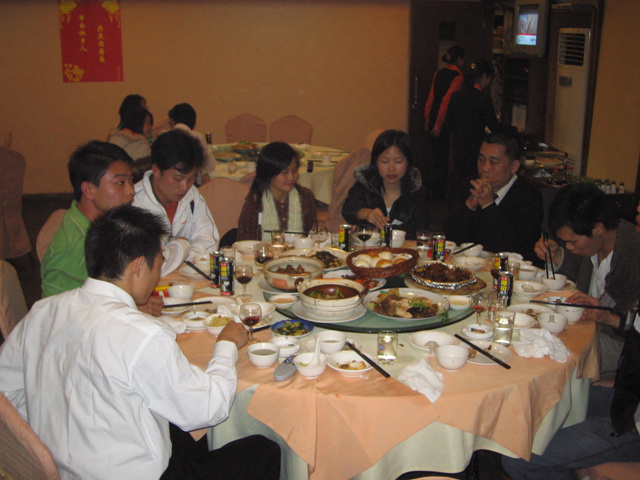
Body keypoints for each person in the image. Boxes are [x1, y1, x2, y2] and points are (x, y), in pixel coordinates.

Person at [0, 206, 280, 480]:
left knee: (180, 430)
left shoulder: (42, 312)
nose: (158, 273)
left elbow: (6, 392)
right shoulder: (142, 334)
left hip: (61, 465)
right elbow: (209, 408)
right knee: (263, 450)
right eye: (158, 263)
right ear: (138, 266)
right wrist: (226, 344)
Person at [502, 308, 640, 480]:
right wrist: (606, 317)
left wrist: (631, 421)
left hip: (630, 424)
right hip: (624, 400)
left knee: (517, 460)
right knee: (536, 403)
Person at [40, 141, 163, 315]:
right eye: (120, 182)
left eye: (130, 180)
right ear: (89, 190)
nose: (131, 190)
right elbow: (55, 315)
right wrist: (130, 309)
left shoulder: (108, 226)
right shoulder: (71, 251)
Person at [533, 182, 640, 373]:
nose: (569, 247)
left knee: (550, 353)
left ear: (598, 228)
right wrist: (556, 255)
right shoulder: (593, 242)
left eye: (572, 242)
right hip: (586, 328)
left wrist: (607, 317)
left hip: (621, 344)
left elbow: (633, 327)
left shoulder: (632, 255)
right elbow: (574, 271)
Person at [444, 131, 543, 263]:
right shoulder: (469, 185)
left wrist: (488, 206)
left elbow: (511, 247)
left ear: (514, 167)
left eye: (493, 162)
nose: (485, 168)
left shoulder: (529, 197)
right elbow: (451, 238)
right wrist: (469, 206)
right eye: (481, 160)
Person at [133, 129, 220, 276]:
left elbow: (209, 244)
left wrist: (171, 255)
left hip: (184, 280)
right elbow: (147, 266)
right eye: (178, 179)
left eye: (191, 179)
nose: (184, 187)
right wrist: (183, 244)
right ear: (156, 170)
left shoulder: (192, 195)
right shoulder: (135, 202)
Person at [341, 129, 428, 240]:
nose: (391, 168)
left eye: (398, 161)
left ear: (408, 162)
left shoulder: (416, 190)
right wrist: (367, 214)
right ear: (376, 162)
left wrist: (377, 231)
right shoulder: (366, 182)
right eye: (385, 161)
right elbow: (348, 209)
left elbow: (418, 230)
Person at [237, 141, 316, 241]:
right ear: (268, 173)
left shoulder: (305, 197)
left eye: (295, 170)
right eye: (285, 172)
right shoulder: (255, 201)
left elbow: (312, 236)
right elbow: (244, 242)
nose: (291, 177)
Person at [447, 59, 503, 189]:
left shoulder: (456, 96)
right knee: (473, 182)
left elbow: (450, 122)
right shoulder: (483, 99)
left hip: (459, 146)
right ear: (484, 76)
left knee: (459, 182)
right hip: (475, 148)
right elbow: (494, 126)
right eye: (489, 78)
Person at [424, 45, 465, 199]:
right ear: (459, 59)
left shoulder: (439, 73)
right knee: (442, 159)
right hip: (443, 122)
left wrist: (428, 119)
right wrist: (439, 125)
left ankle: (433, 191)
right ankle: (438, 193)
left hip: (433, 116)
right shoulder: (458, 76)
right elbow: (447, 101)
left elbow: (431, 97)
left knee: (435, 156)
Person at [168, 102, 216, 181]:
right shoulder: (197, 137)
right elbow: (211, 166)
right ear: (194, 122)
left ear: (172, 121)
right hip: (192, 182)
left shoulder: (163, 136)